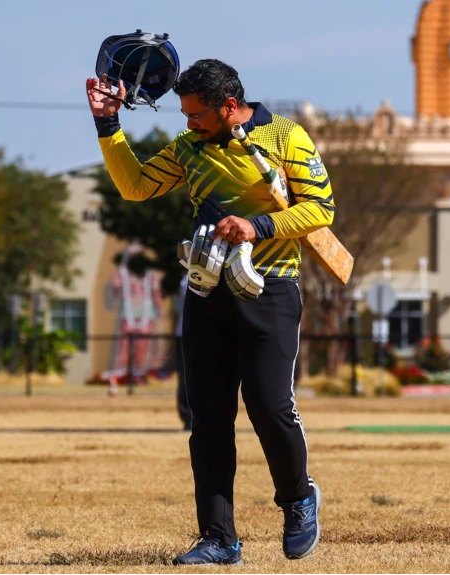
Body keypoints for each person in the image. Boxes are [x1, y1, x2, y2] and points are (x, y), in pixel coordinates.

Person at [86, 59, 332, 564]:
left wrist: (257, 227)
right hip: (206, 291)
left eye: (196, 114)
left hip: (271, 288)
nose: (188, 122)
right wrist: (108, 125)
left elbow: (321, 211)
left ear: (228, 107)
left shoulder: (288, 138)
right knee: (210, 419)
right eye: (184, 113)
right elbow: (135, 186)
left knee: (269, 406)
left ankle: (298, 499)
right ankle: (220, 539)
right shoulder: (188, 148)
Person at [176, 275, 192, 431]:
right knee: (186, 378)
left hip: (206, 333)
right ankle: (188, 418)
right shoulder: (187, 279)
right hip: (185, 333)